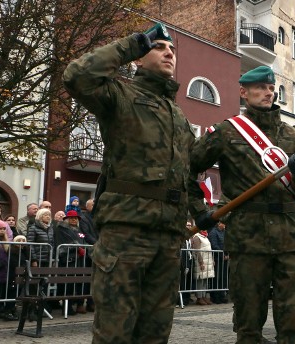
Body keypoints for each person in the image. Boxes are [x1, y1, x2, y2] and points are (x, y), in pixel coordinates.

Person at [63, 21, 195, 343]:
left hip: (168, 236)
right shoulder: (120, 93)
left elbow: (187, 171)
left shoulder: (177, 114)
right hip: (126, 232)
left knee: (155, 334)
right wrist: (134, 43)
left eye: (172, 50)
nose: (168, 53)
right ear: (139, 56)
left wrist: (198, 209)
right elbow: (76, 77)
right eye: (159, 47)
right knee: (114, 334)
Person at [188, 65, 295, 343]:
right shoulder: (226, 132)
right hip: (248, 239)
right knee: (248, 325)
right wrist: (200, 212)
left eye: (271, 88)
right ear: (244, 92)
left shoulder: (292, 136)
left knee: (293, 326)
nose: (268, 92)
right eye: (260, 87)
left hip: (292, 238)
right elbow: (187, 168)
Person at [54, 210, 88, 314]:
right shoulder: (61, 228)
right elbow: (64, 244)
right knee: (67, 285)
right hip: (68, 260)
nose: (74, 220)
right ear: (67, 219)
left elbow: (83, 240)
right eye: (72, 218)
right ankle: (66, 307)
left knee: (77, 284)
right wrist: (77, 248)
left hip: (79, 260)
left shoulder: (79, 230)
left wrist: (84, 248)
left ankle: (76, 305)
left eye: (76, 218)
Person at [191, 228, 215, 305]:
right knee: (200, 280)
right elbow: (197, 251)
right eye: (204, 229)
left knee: (205, 280)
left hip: (207, 261)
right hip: (201, 262)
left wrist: (212, 260)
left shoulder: (205, 237)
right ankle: (199, 297)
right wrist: (201, 262)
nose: (206, 230)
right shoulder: (197, 237)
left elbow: (209, 250)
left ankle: (204, 296)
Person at [208, 221, 228, 304]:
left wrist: (227, 254)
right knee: (217, 278)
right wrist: (222, 254)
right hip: (217, 258)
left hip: (224, 258)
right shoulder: (213, 232)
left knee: (223, 277)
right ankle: (215, 296)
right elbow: (214, 245)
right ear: (219, 224)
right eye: (224, 223)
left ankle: (222, 295)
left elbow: (226, 243)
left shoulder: (224, 232)